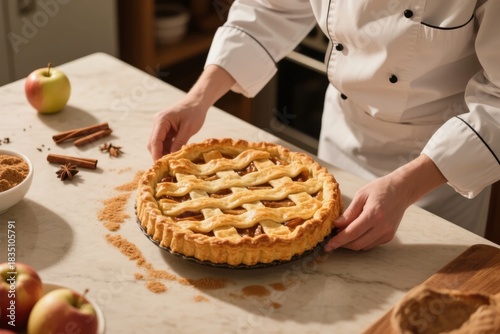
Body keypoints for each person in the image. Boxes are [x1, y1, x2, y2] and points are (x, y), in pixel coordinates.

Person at [148, 1, 500, 251]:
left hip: (439, 167)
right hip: (340, 138)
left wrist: (407, 188)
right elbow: (270, 8)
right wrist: (197, 98)